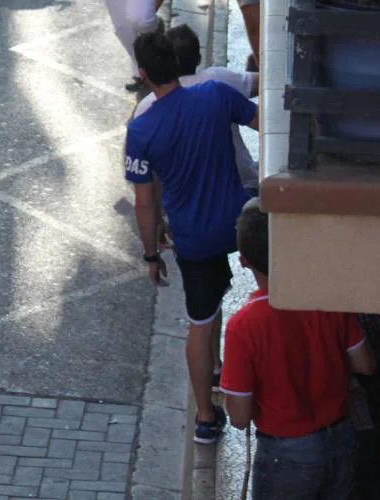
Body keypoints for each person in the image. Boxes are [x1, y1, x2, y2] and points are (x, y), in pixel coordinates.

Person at [125, 31, 259, 447]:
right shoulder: (216, 94)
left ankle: (205, 417)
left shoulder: (142, 127)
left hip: (194, 238)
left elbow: (145, 205)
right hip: (242, 222)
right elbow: (268, 126)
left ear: (144, 74)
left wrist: (151, 253)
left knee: (200, 322)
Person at [221, 202, 376, 498]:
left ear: (243, 262)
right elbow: (365, 363)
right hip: (341, 438)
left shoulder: (243, 326)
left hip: (286, 454)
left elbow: (239, 417)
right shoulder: (328, 298)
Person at [133, 24, 259, 194]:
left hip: (185, 204)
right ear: (198, 59)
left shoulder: (145, 110)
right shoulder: (219, 83)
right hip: (242, 187)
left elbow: (147, 183)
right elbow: (263, 96)